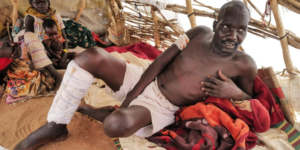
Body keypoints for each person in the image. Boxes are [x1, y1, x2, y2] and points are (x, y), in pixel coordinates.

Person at [15, 1, 257, 149]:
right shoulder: (199, 32)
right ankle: (56, 124)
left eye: (241, 31)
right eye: (226, 26)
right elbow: (160, 61)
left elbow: (254, 101)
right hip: (145, 77)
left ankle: (96, 111)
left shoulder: (244, 64)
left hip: (163, 106)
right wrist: (130, 97)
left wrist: (236, 93)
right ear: (216, 24)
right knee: (91, 56)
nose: (232, 36)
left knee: (115, 123)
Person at [23, 0, 68, 90]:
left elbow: (64, 36)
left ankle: (48, 64)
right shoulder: (30, 17)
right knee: (33, 43)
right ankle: (57, 76)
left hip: (51, 47)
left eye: (44, 2)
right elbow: (29, 37)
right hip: (37, 46)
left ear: (48, 2)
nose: (41, 5)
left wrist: (64, 56)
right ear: (32, 4)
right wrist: (44, 49)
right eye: (37, 3)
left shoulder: (55, 15)